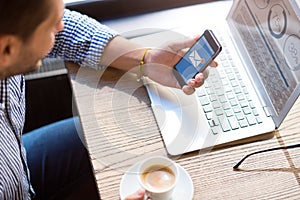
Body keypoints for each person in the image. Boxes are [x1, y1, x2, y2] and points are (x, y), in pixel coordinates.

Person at [0, 0, 218, 199]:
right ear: (8, 49)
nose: (61, 27)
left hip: (21, 167)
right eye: (51, 26)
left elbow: (64, 29)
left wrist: (146, 60)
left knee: (101, 139)